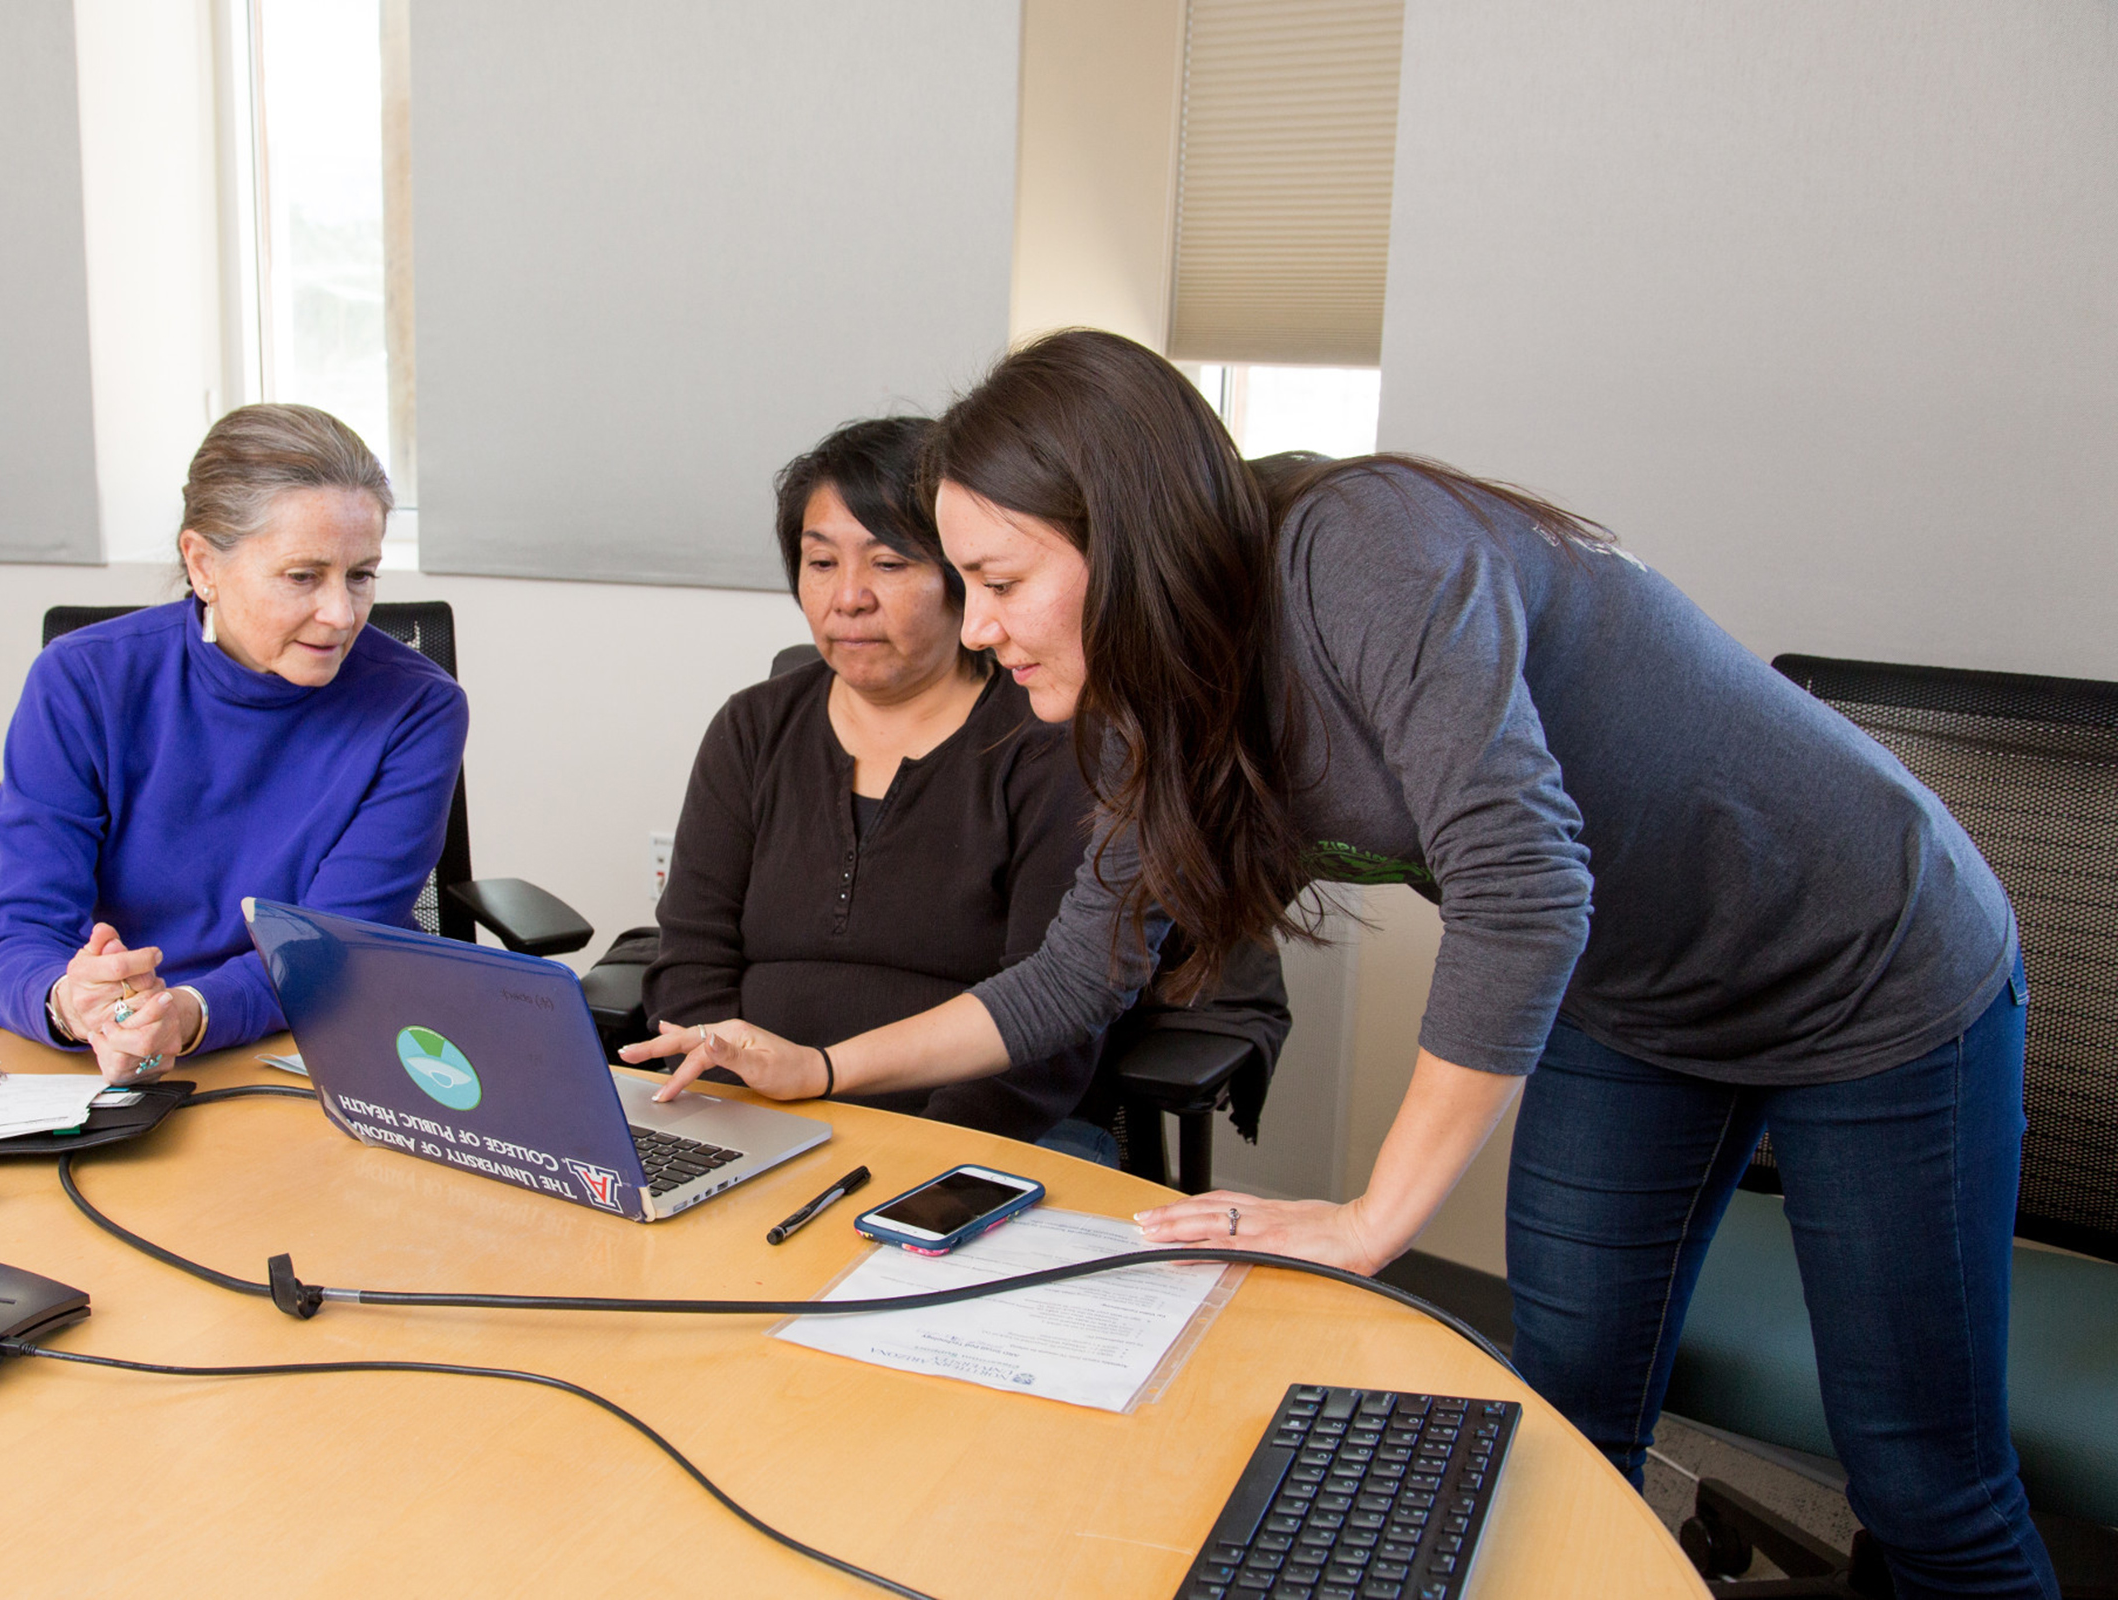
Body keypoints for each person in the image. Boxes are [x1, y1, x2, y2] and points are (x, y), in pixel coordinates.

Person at [623, 331, 2053, 1596]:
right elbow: (1075, 974)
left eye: (996, 580)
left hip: (1871, 969)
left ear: (1122, 536)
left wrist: (1373, 1218)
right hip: (1636, 1001)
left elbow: (1524, 885)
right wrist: (817, 1067)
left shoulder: (1360, 547)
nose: (977, 628)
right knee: (1568, 1421)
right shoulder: (1137, 703)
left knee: (1927, 1485)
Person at [644, 416, 1288, 1154]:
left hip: (987, 1130)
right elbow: (690, 964)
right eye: (821, 563)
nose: (848, 597)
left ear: (964, 577)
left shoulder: (1056, 739)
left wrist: (923, 1152)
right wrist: (737, 1117)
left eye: (888, 564)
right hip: (757, 1120)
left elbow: (1057, 1015)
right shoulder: (752, 730)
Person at [0, 404, 468, 1086]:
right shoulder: (82, 680)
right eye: (302, 576)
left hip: (305, 1048)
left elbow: (329, 950)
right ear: (202, 563)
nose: (341, 614)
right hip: (105, 1054)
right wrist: (68, 1001)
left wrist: (189, 1013)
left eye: (361, 574)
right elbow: (13, 927)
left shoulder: (417, 707)